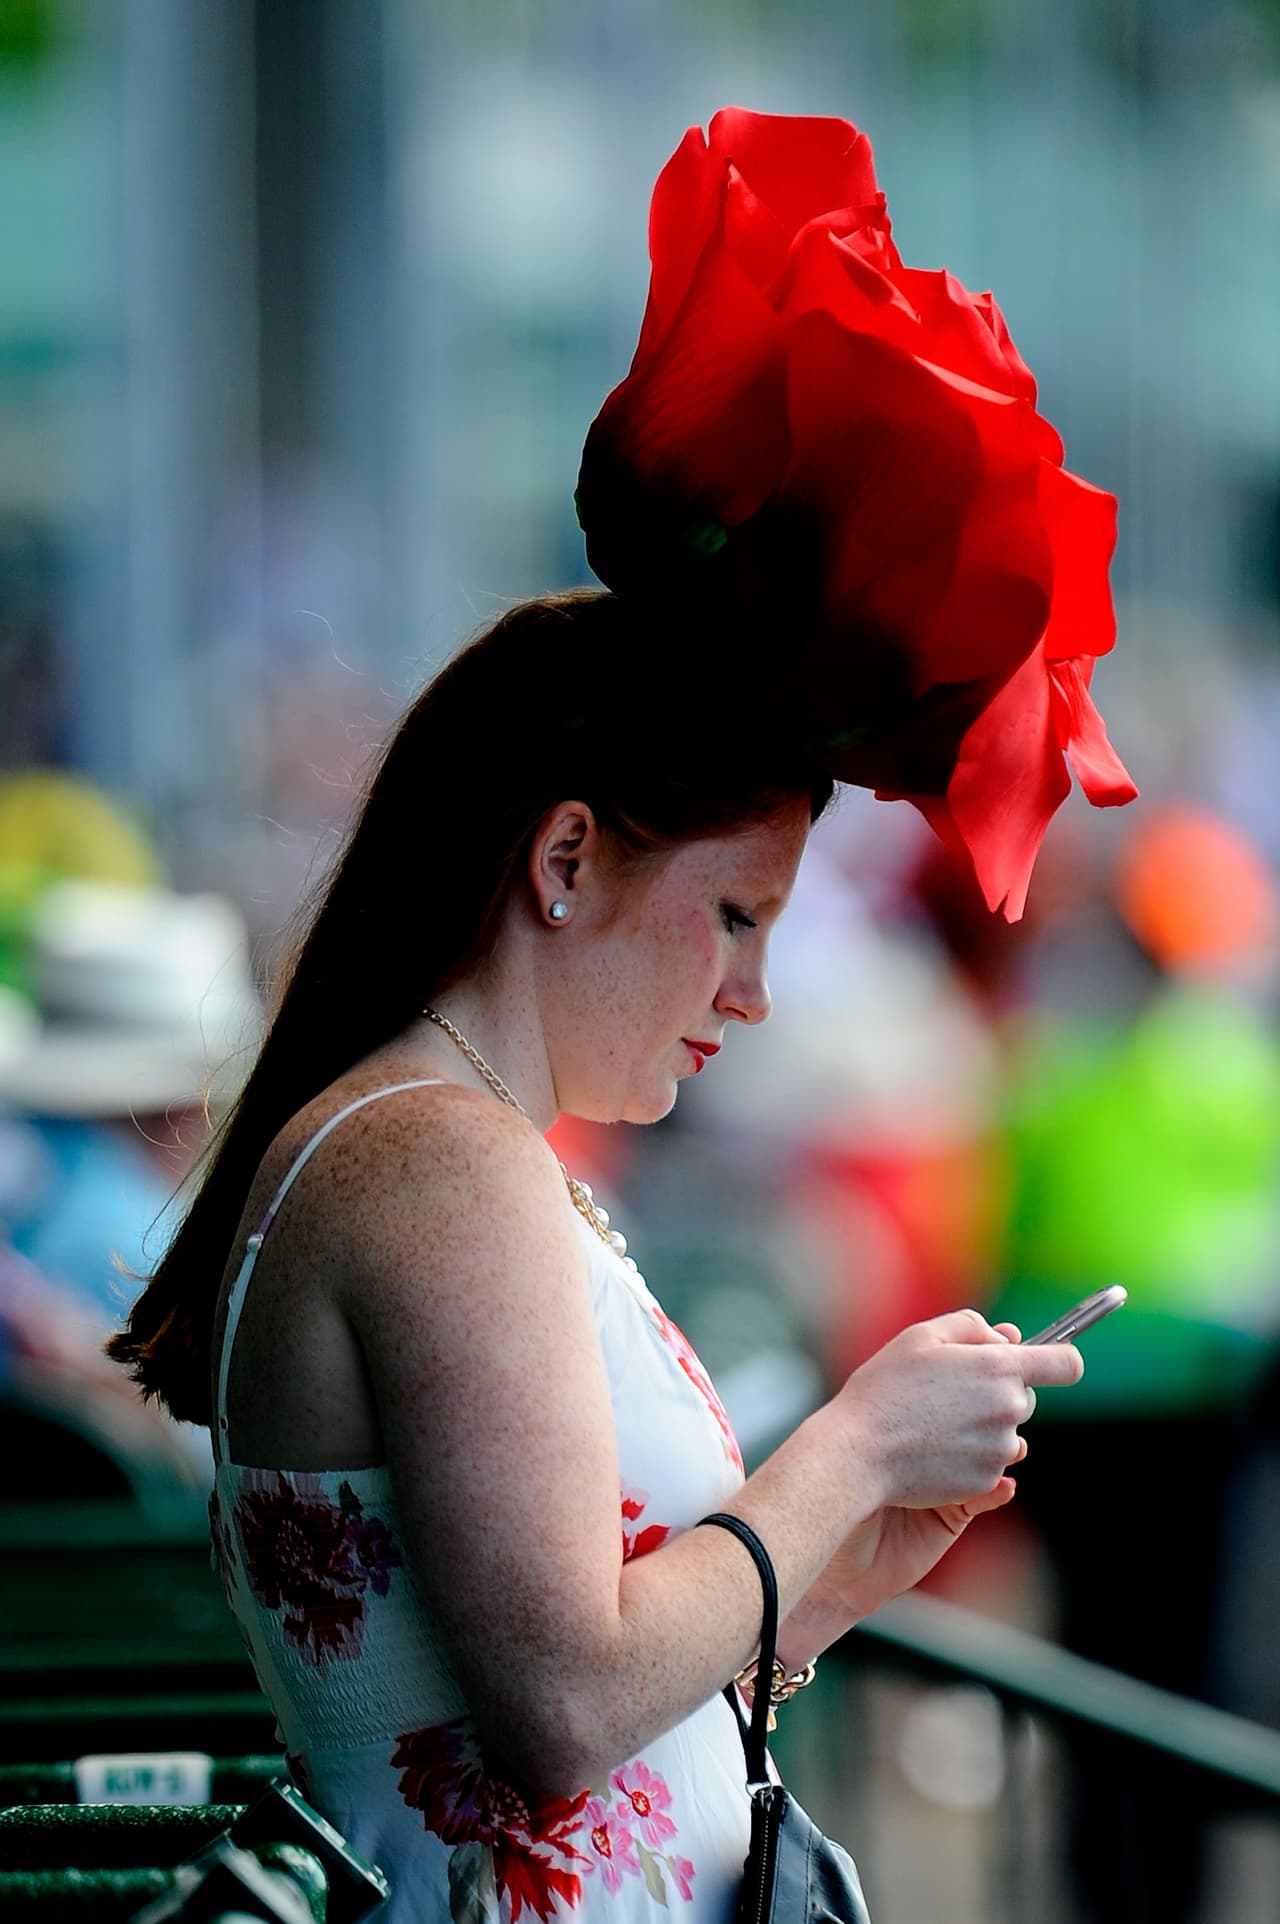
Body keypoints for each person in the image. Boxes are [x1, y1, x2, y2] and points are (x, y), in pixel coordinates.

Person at [108, 108, 1134, 1924]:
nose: (751, 988)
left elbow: (553, 1693)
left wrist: (841, 1569)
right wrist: (845, 1454)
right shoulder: (439, 1166)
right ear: (566, 856)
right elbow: (561, 1708)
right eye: (734, 914)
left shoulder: (444, 1150)